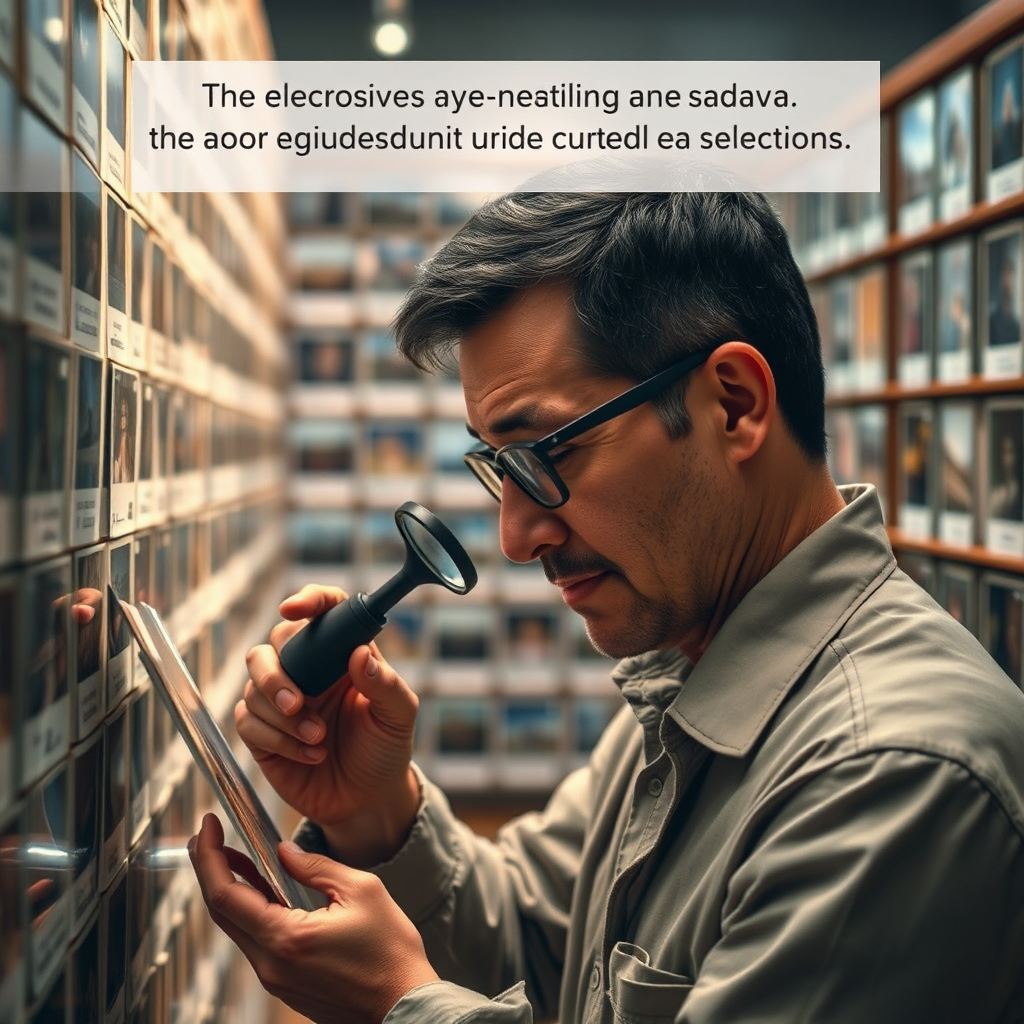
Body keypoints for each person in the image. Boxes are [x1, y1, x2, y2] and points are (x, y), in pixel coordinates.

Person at [190, 191, 1024, 1024]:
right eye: (499, 468)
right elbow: (544, 947)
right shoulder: (693, 669)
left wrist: (399, 1004)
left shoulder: (890, 771)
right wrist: (375, 811)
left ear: (733, 404)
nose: (516, 537)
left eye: (547, 454)